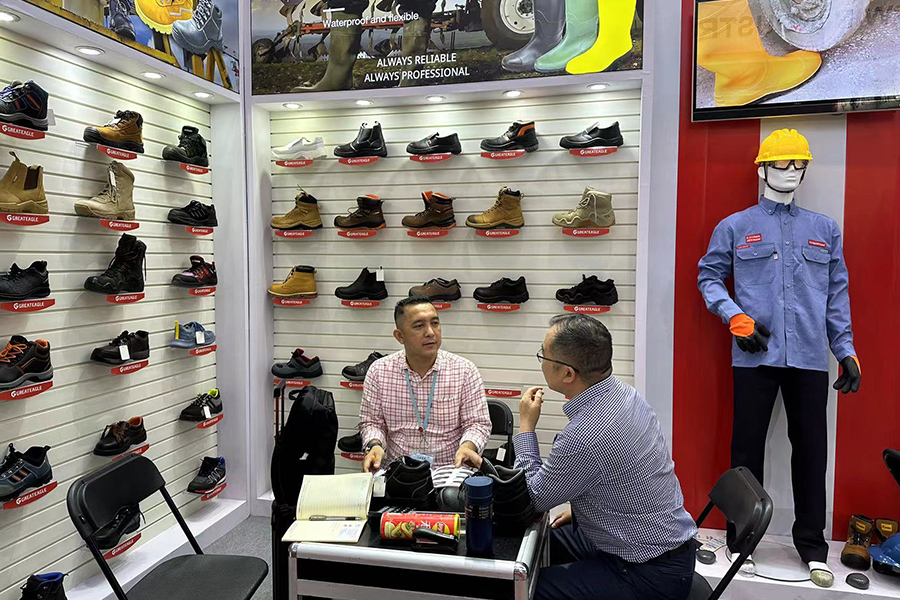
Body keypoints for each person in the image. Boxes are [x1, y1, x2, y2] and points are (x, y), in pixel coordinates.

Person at [515, 313, 697, 600]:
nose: (542, 362)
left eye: (544, 355)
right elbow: (629, 473)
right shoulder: (625, 394)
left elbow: (532, 500)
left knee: (521, 588)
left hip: (648, 574)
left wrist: (526, 427)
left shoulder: (585, 436)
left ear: (567, 374)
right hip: (653, 545)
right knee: (541, 543)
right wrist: (588, 510)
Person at [359, 296, 492, 471]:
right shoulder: (379, 371)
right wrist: (375, 445)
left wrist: (468, 446)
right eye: (419, 326)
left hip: (450, 470)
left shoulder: (465, 370)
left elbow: (477, 423)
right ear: (400, 336)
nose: (430, 332)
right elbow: (372, 423)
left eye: (435, 323)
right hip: (398, 471)